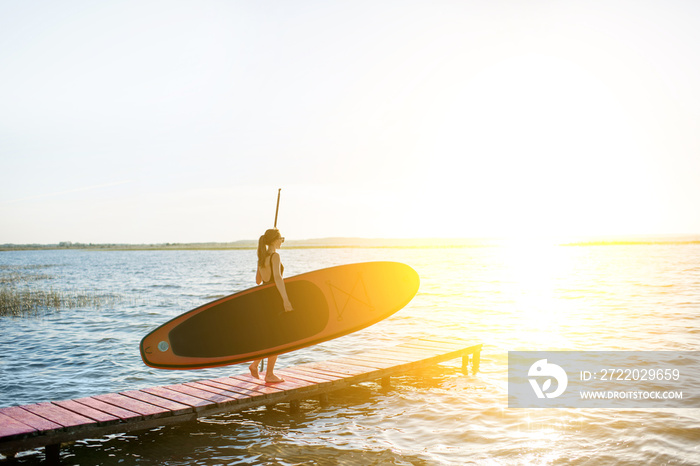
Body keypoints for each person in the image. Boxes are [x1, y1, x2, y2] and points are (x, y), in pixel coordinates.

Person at [249, 228, 293, 383]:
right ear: (275, 240)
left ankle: (255, 365)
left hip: (264, 302)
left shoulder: (262, 257)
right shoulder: (275, 256)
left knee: (270, 337)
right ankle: (269, 374)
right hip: (274, 300)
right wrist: (286, 300)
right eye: (282, 238)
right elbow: (278, 278)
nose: (282, 241)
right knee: (277, 339)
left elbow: (258, 281)